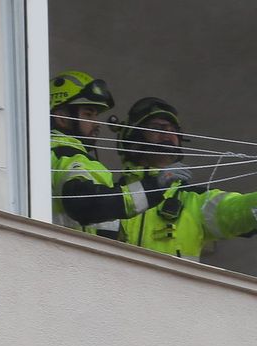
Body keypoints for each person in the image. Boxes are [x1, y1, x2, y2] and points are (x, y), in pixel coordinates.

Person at [117, 96, 257, 262]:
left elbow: (240, 211)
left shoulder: (194, 201)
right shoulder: (110, 194)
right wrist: (152, 186)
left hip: (171, 307)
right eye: (159, 127)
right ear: (134, 137)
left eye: (173, 131)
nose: (168, 135)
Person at [49, 70, 176, 238]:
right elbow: (84, 203)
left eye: (96, 115)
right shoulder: (66, 155)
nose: (96, 124)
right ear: (62, 118)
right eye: (88, 114)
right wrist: (152, 188)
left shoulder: (52, 154)